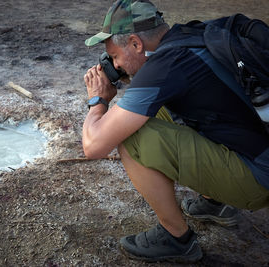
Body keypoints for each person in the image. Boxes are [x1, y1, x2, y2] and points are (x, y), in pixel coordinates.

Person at [82, 0, 269, 263]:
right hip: (257, 150)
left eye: (115, 56)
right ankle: (214, 202)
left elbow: (94, 146)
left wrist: (98, 101)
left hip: (258, 180)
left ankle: (176, 238)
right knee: (150, 112)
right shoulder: (192, 35)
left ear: (136, 44)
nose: (116, 65)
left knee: (129, 135)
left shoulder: (166, 67)